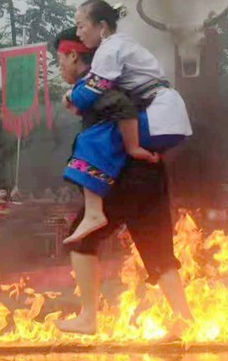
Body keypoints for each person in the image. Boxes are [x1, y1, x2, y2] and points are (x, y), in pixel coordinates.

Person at [53, 27, 193, 338]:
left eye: (59, 60)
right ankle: (184, 320)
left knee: (80, 239)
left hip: (124, 174)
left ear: (73, 55)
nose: (59, 67)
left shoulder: (97, 88)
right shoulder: (119, 79)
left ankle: (88, 316)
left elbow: (118, 117)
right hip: (150, 173)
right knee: (158, 250)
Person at [62, 0, 192, 244]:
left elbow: (93, 90)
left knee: (91, 139)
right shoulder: (123, 45)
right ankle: (143, 155)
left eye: (81, 26)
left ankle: (93, 213)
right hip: (166, 118)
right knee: (111, 139)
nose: (78, 34)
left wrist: (72, 96)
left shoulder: (109, 49)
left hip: (158, 117)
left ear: (101, 26)